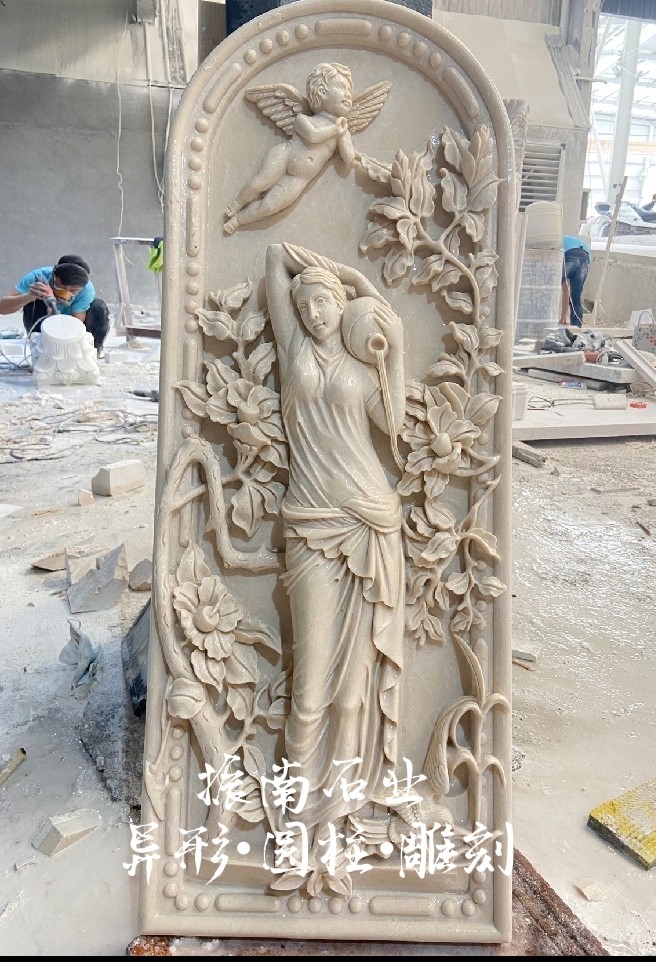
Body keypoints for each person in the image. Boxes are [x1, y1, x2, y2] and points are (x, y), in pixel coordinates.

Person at [264, 241, 405, 856]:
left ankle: (339, 815)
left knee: (352, 695)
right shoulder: (293, 351)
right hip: (310, 525)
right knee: (310, 691)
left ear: (340, 307)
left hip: (370, 523)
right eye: (306, 306)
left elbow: (393, 425)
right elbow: (275, 255)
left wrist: (392, 343)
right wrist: (347, 275)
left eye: (323, 303)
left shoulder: (361, 369)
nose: (315, 313)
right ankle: (295, 819)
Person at [224, 64, 367, 234]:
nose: (348, 94)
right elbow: (313, 136)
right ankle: (237, 203)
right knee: (258, 183)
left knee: (270, 205)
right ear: (321, 92)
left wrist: (357, 157)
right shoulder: (303, 119)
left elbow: (348, 158)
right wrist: (336, 129)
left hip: (300, 178)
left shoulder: (342, 132)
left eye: (349, 90)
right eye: (342, 88)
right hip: (284, 156)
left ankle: (238, 221)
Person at [0, 255, 110, 358]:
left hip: (68, 325)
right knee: (34, 301)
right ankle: (40, 353)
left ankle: (92, 353)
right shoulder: (37, 277)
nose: (66, 292)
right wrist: (28, 296)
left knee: (98, 307)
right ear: (54, 276)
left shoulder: (86, 289)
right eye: (61, 287)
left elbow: (76, 324)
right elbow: (2, 308)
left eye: (73, 290)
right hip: (41, 322)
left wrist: (55, 316)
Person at [561, 234, 591, 328]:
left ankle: (547, 322)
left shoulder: (557, 241)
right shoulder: (567, 239)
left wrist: (563, 316)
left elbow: (565, 288)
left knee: (552, 290)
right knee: (576, 298)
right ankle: (576, 328)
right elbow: (566, 289)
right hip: (585, 256)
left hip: (568, 253)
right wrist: (564, 316)